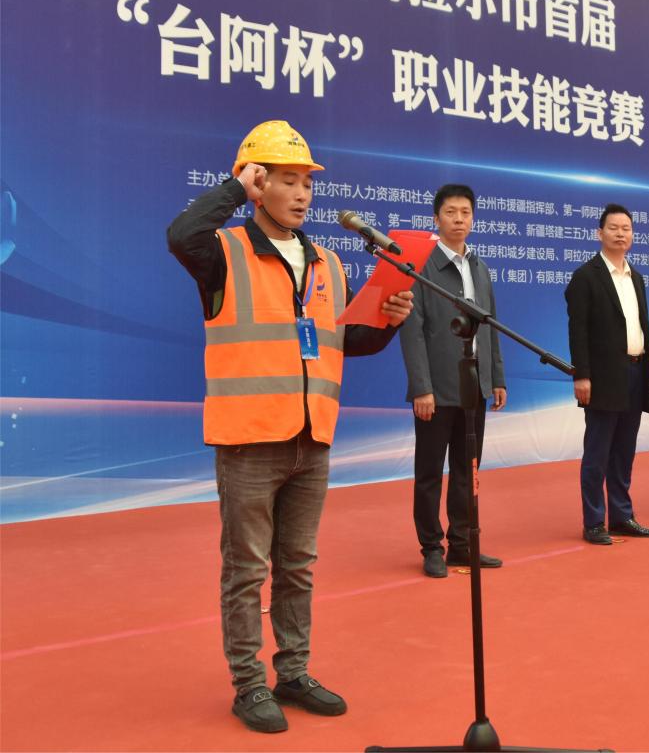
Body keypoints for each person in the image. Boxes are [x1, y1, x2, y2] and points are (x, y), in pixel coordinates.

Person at [167, 121, 414, 734]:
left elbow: (342, 341)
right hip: (249, 439)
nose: (302, 193)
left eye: (307, 181)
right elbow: (180, 234)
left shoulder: (328, 260)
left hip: (312, 438)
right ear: (258, 183)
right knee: (247, 571)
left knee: (298, 567)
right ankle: (249, 684)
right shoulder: (222, 252)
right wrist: (235, 188)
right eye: (285, 179)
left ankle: (294, 672)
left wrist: (388, 321)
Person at [400, 183, 507, 579]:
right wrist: (421, 387)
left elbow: (490, 326)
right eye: (450, 212)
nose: (459, 219)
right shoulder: (420, 266)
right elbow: (412, 331)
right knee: (430, 473)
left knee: (467, 470)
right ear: (436, 218)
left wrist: (496, 377)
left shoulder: (480, 268)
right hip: (437, 388)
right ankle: (431, 547)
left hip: (474, 386)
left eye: (465, 213)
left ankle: (462, 544)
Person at [565, 204, 649, 545]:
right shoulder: (586, 276)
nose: (621, 234)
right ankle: (594, 521)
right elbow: (578, 331)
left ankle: (621, 516)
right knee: (598, 452)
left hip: (636, 372)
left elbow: (639, 327)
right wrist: (582, 375)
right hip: (603, 378)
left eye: (627, 228)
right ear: (599, 233)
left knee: (624, 451)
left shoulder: (637, 277)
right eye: (614, 228)